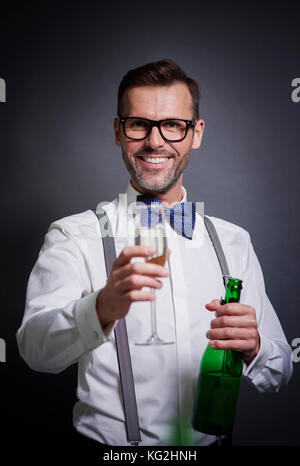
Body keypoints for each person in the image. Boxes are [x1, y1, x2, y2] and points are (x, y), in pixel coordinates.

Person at [16, 59, 293, 447]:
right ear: (118, 131)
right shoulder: (74, 235)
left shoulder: (234, 241)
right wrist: (101, 307)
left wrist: (256, 348)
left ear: (196, 134)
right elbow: (34, 349)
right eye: (138, 124)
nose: (155, 141)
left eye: (173, 126)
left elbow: (279, 371)